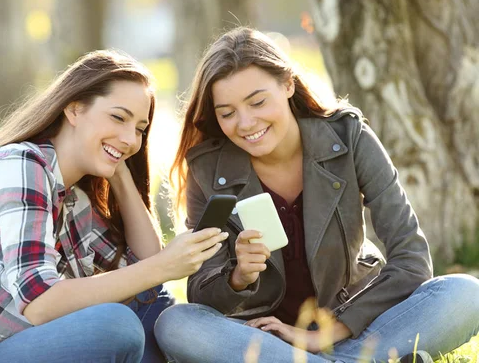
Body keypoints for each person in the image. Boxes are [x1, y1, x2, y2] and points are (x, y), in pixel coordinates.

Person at [154, 27, 479, 362]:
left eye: (258, 102)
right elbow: (202, 290)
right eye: (227, 113)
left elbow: (411, 257)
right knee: (176, 323)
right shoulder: (208, 170)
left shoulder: (349, 138)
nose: (246, 122)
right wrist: (238, 278)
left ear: (288, 85)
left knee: (466, 293)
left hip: (354, 325)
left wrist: (328, 333)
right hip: (266, 342)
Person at [0, 50, 228, 363]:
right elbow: (41, 302)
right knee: (116, 327)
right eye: (118, 118)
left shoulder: (74, 199)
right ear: (74, 108)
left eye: (139, 129)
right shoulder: (20, 164)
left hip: (2, 348)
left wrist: (120, 172)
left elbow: (147, 278)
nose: (130, 138)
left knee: (151, 304)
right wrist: (164, 266)